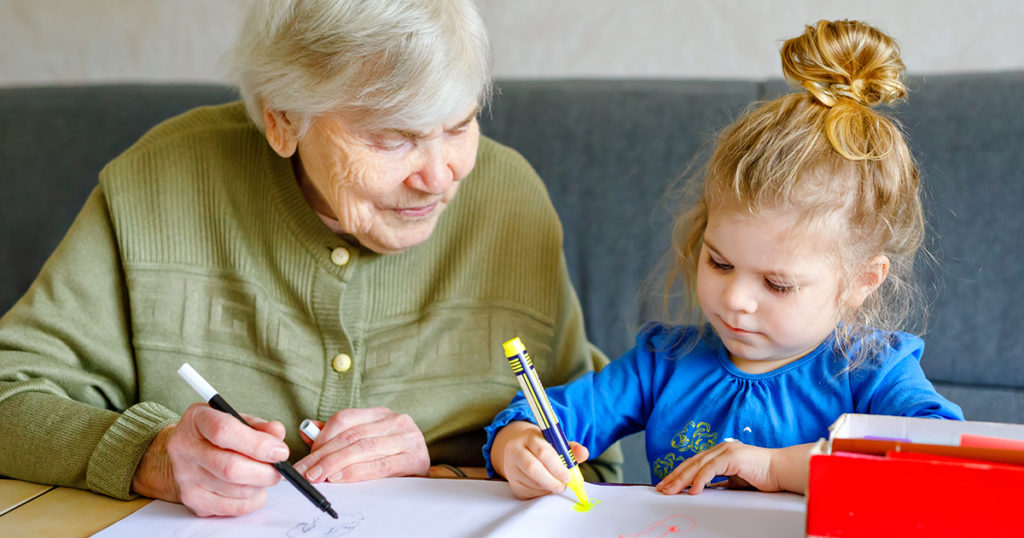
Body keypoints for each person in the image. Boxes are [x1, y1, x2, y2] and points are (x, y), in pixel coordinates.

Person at [0, 0, 621, 518]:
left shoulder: (510, 202)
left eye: (459, 126)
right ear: (282, 120)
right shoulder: (158, 184)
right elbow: (9, 395)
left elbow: (596, 460)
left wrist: (438, 475)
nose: (438, 177)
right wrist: (150, 455)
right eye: (392, 136)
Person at [484, 19, 963, 501]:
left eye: (777, 284)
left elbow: (942, 461)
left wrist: (778, 469)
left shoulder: (874, 374)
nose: (735, 299)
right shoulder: (663, 365)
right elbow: (543, 417)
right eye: (719, 263)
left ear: (862, 280)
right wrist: (519, 448)